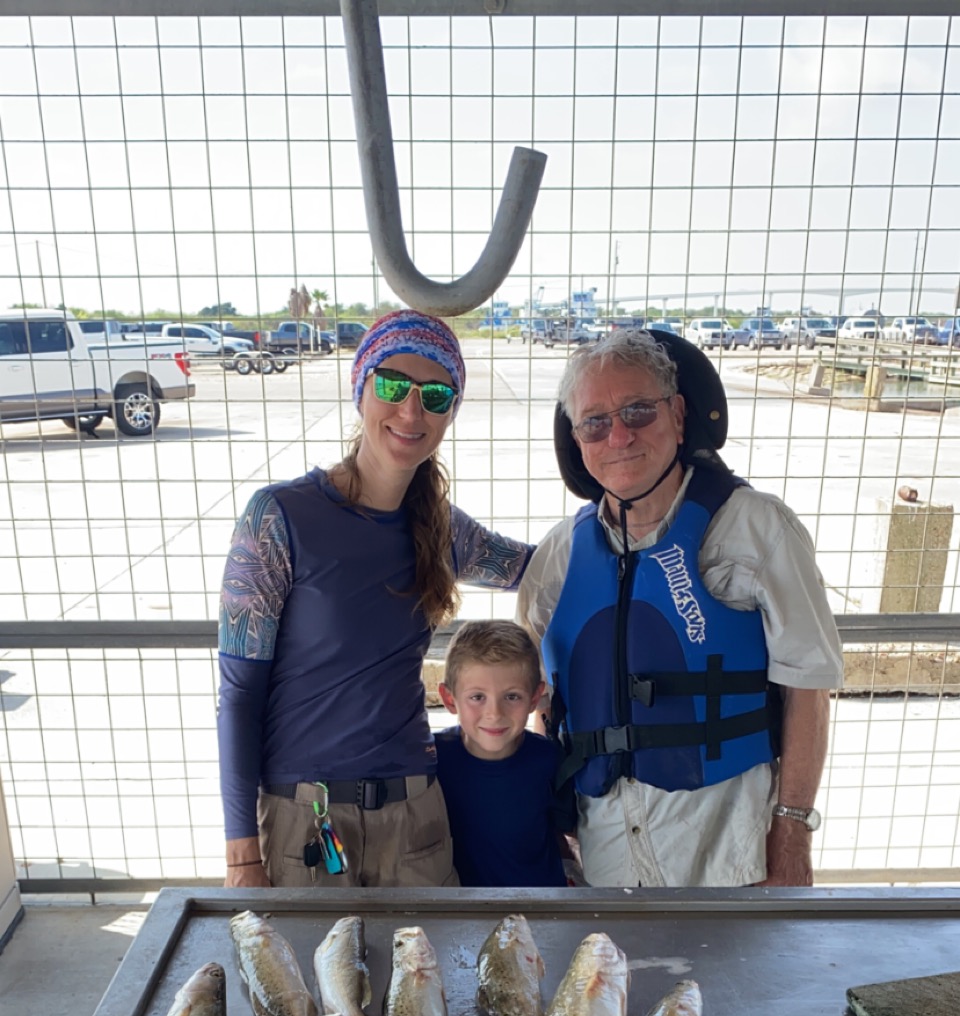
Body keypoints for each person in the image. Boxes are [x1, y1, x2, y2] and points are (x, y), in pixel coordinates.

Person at [516, 329, 844, 888]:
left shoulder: (755, 528)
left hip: (728, 847)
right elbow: (536, 698)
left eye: (638, 411)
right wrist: (544, 823)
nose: (618, 435)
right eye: (595, 421)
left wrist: (792, 832)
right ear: (576, 440)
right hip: (605, 847)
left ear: (679, 414)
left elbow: (808, 687)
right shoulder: (561, 554)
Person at [217, 311, 532, 889]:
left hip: (415, 821)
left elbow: (539, 567)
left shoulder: (442, 530)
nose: (411, 411)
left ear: (450, 413)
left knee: (427, 981)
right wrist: (242, 855)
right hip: (304, 826)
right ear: (361, 389)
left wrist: (623, 516)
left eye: (435, 396)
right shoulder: (279, 519)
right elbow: (239, 697)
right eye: (392, 386)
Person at [435, 619, 578, 887]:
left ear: (535, 699)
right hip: (458, 914)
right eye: (477, 697)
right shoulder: (432, 760)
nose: (494, 714)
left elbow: (566, 834)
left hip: (540, 910)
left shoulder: (551, 760)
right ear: (449, 699)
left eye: (512, 697)